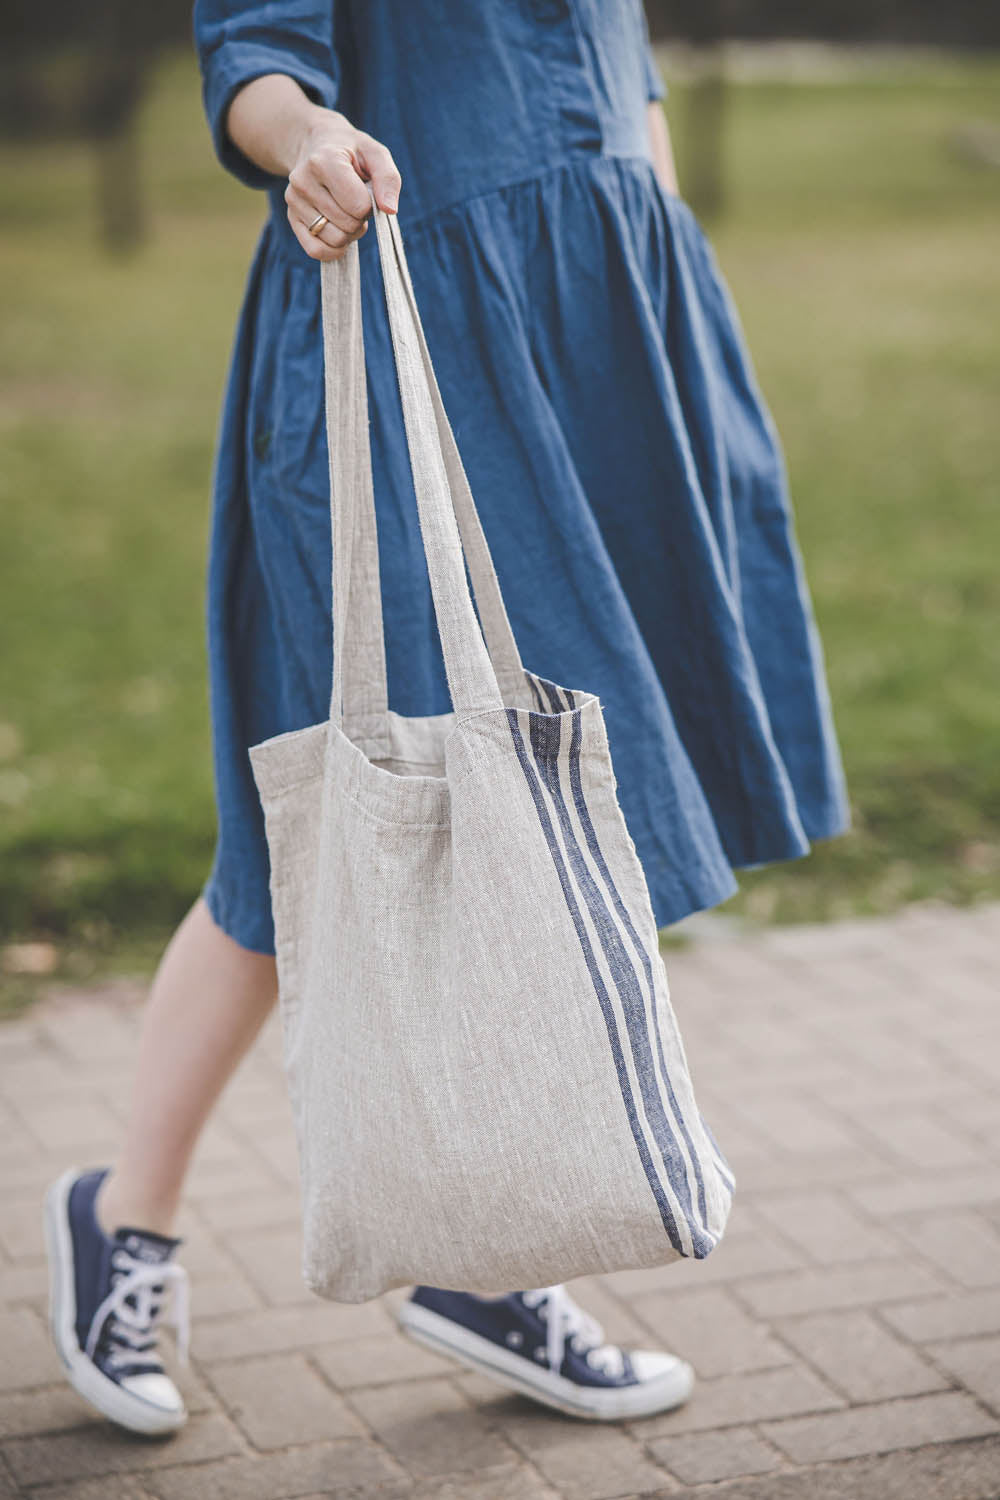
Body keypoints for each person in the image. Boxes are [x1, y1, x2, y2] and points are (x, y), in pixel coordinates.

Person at [43, 0, 848, 1438]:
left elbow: (620, 61)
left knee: (575, 798)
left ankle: (494, 1253)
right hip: (406, 332)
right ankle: (125, 1219)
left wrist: (655, 259)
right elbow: (255, 57)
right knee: (352, 818)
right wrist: (308, 143)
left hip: (606, 341)